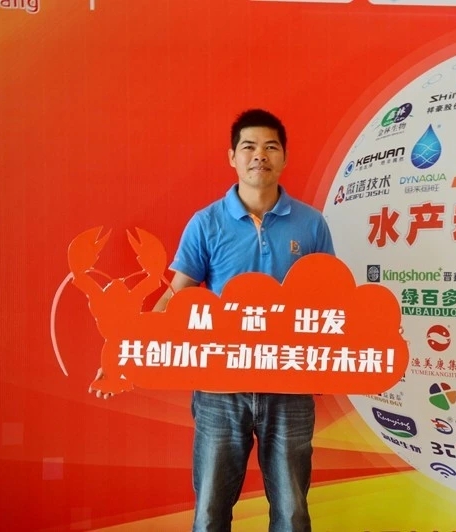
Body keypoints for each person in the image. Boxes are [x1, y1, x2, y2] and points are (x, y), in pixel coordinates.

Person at [91, 109, 335, 532]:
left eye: (271, 147)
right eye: (249, 147)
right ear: (232, 157)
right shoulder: (206, 223)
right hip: (219, 386)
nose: (260, 155)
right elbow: (177, 293)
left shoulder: (311, 224)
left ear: (284, 157)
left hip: (290, 385)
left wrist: (372, 336)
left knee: (293, 513)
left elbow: (330, 299)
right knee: (209, 512)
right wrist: (128, 349)